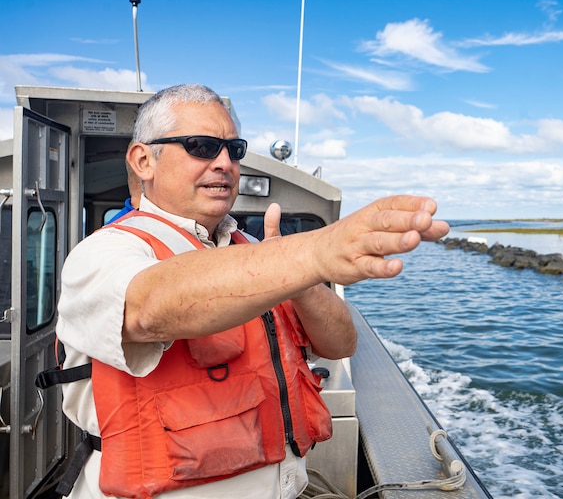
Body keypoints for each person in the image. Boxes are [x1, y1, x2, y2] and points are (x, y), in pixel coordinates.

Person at [55, 83, 449, 499]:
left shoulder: (261, 256)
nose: (225, 163)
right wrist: (313, 253)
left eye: (234, 149)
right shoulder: (105, 251)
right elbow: (147, 307)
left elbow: (340, 343)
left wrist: (302, 276)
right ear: (143, 160)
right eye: (202, 146)